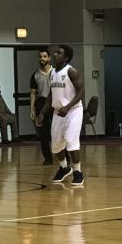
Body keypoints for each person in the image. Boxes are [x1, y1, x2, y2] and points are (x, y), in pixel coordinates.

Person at [36, 44, 85, 187]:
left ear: (66, 58)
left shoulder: (71, 71)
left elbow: (81, 92)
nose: (55, 54)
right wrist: (42, 112)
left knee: (71, 140)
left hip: (73, 111)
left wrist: (68, 106)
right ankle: (64, 168)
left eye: (59, 53)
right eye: (56, 52)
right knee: (56, 145)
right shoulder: (52, 73)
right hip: (58, 112)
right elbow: (51, 94)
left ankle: (78, 172)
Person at [30, 49, 53, 164]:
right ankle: (48, 158)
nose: (42, 58)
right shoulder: (35, 74)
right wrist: (32, 109)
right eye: (40, 56)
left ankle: (65, 157)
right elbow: (33, 93)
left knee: (57, 131)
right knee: (43, 133)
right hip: (41, 102)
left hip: (54, 103)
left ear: (49, 58)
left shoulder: (55, 72)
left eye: (44, 56)